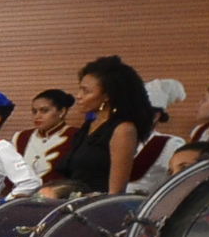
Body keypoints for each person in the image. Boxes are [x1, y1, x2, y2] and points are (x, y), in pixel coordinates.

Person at [65, 56, 156, 197]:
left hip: (95, 208)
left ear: (107, 96)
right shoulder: (89, 125)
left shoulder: (123, 129)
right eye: (79, 89)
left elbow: (116, 191)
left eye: (86, 91)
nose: (78, 96)